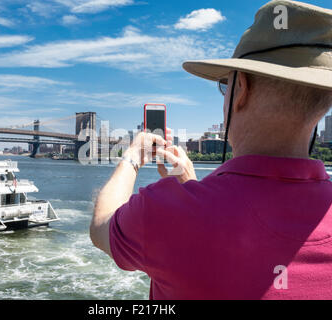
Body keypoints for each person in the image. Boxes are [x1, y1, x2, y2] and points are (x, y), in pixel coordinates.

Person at [90, 0, 332, 300]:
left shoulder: (166, 212)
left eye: (223, 85)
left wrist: (131, 158)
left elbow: (102, 227)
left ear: (241, 89)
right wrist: (192, 187)